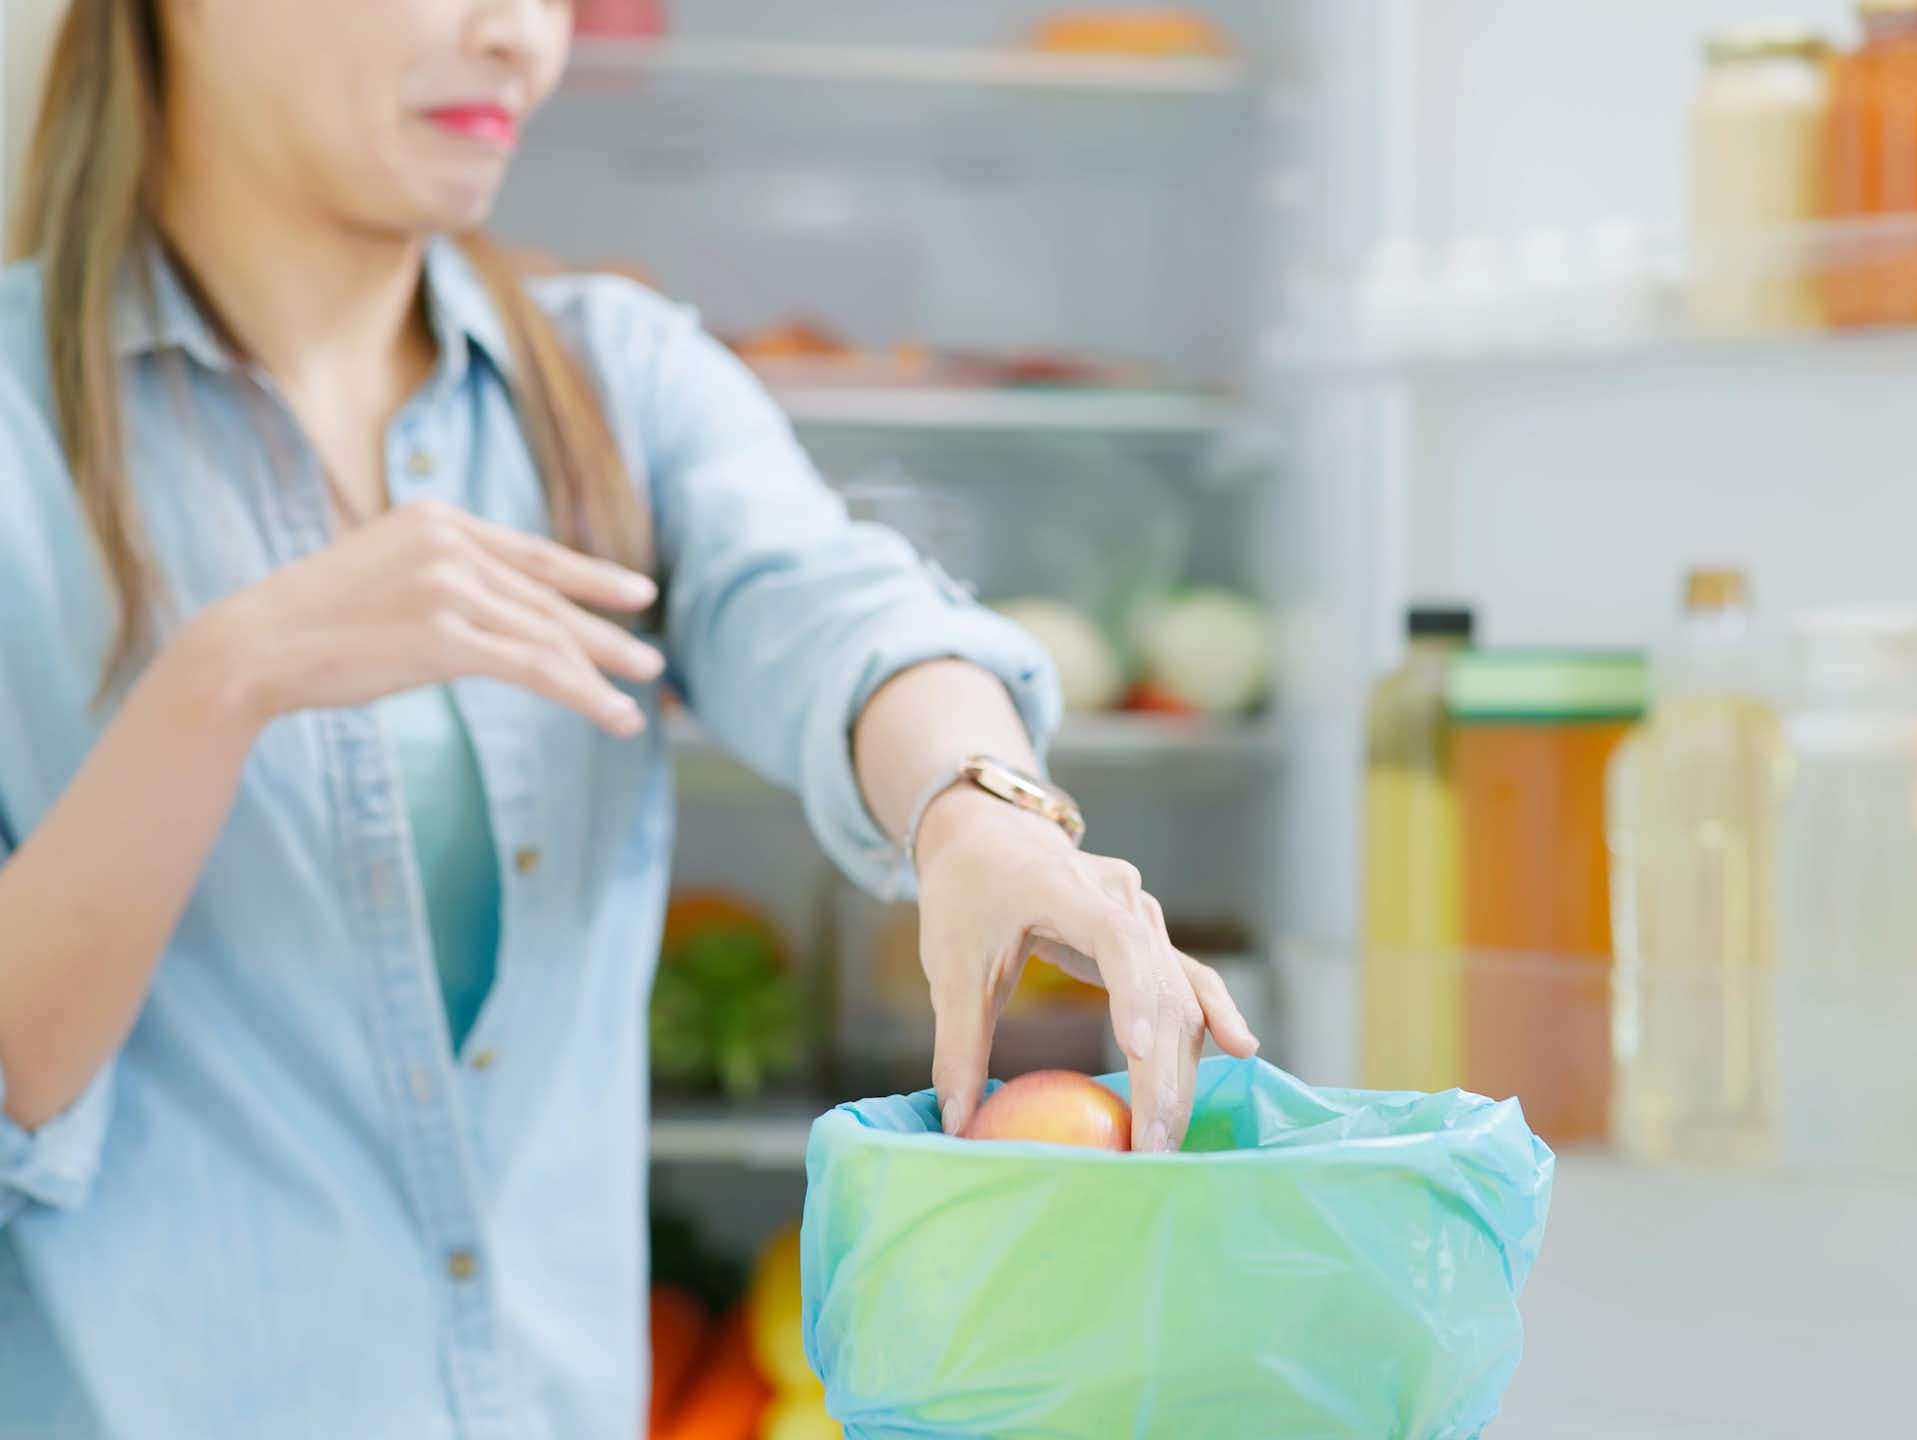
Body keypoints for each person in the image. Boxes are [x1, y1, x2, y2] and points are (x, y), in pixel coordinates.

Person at [0, 1, 1256, 1434]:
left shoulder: (617, 381)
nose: (516, 38)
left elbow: (835, 608)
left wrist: (976, 808)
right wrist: (219, 682)